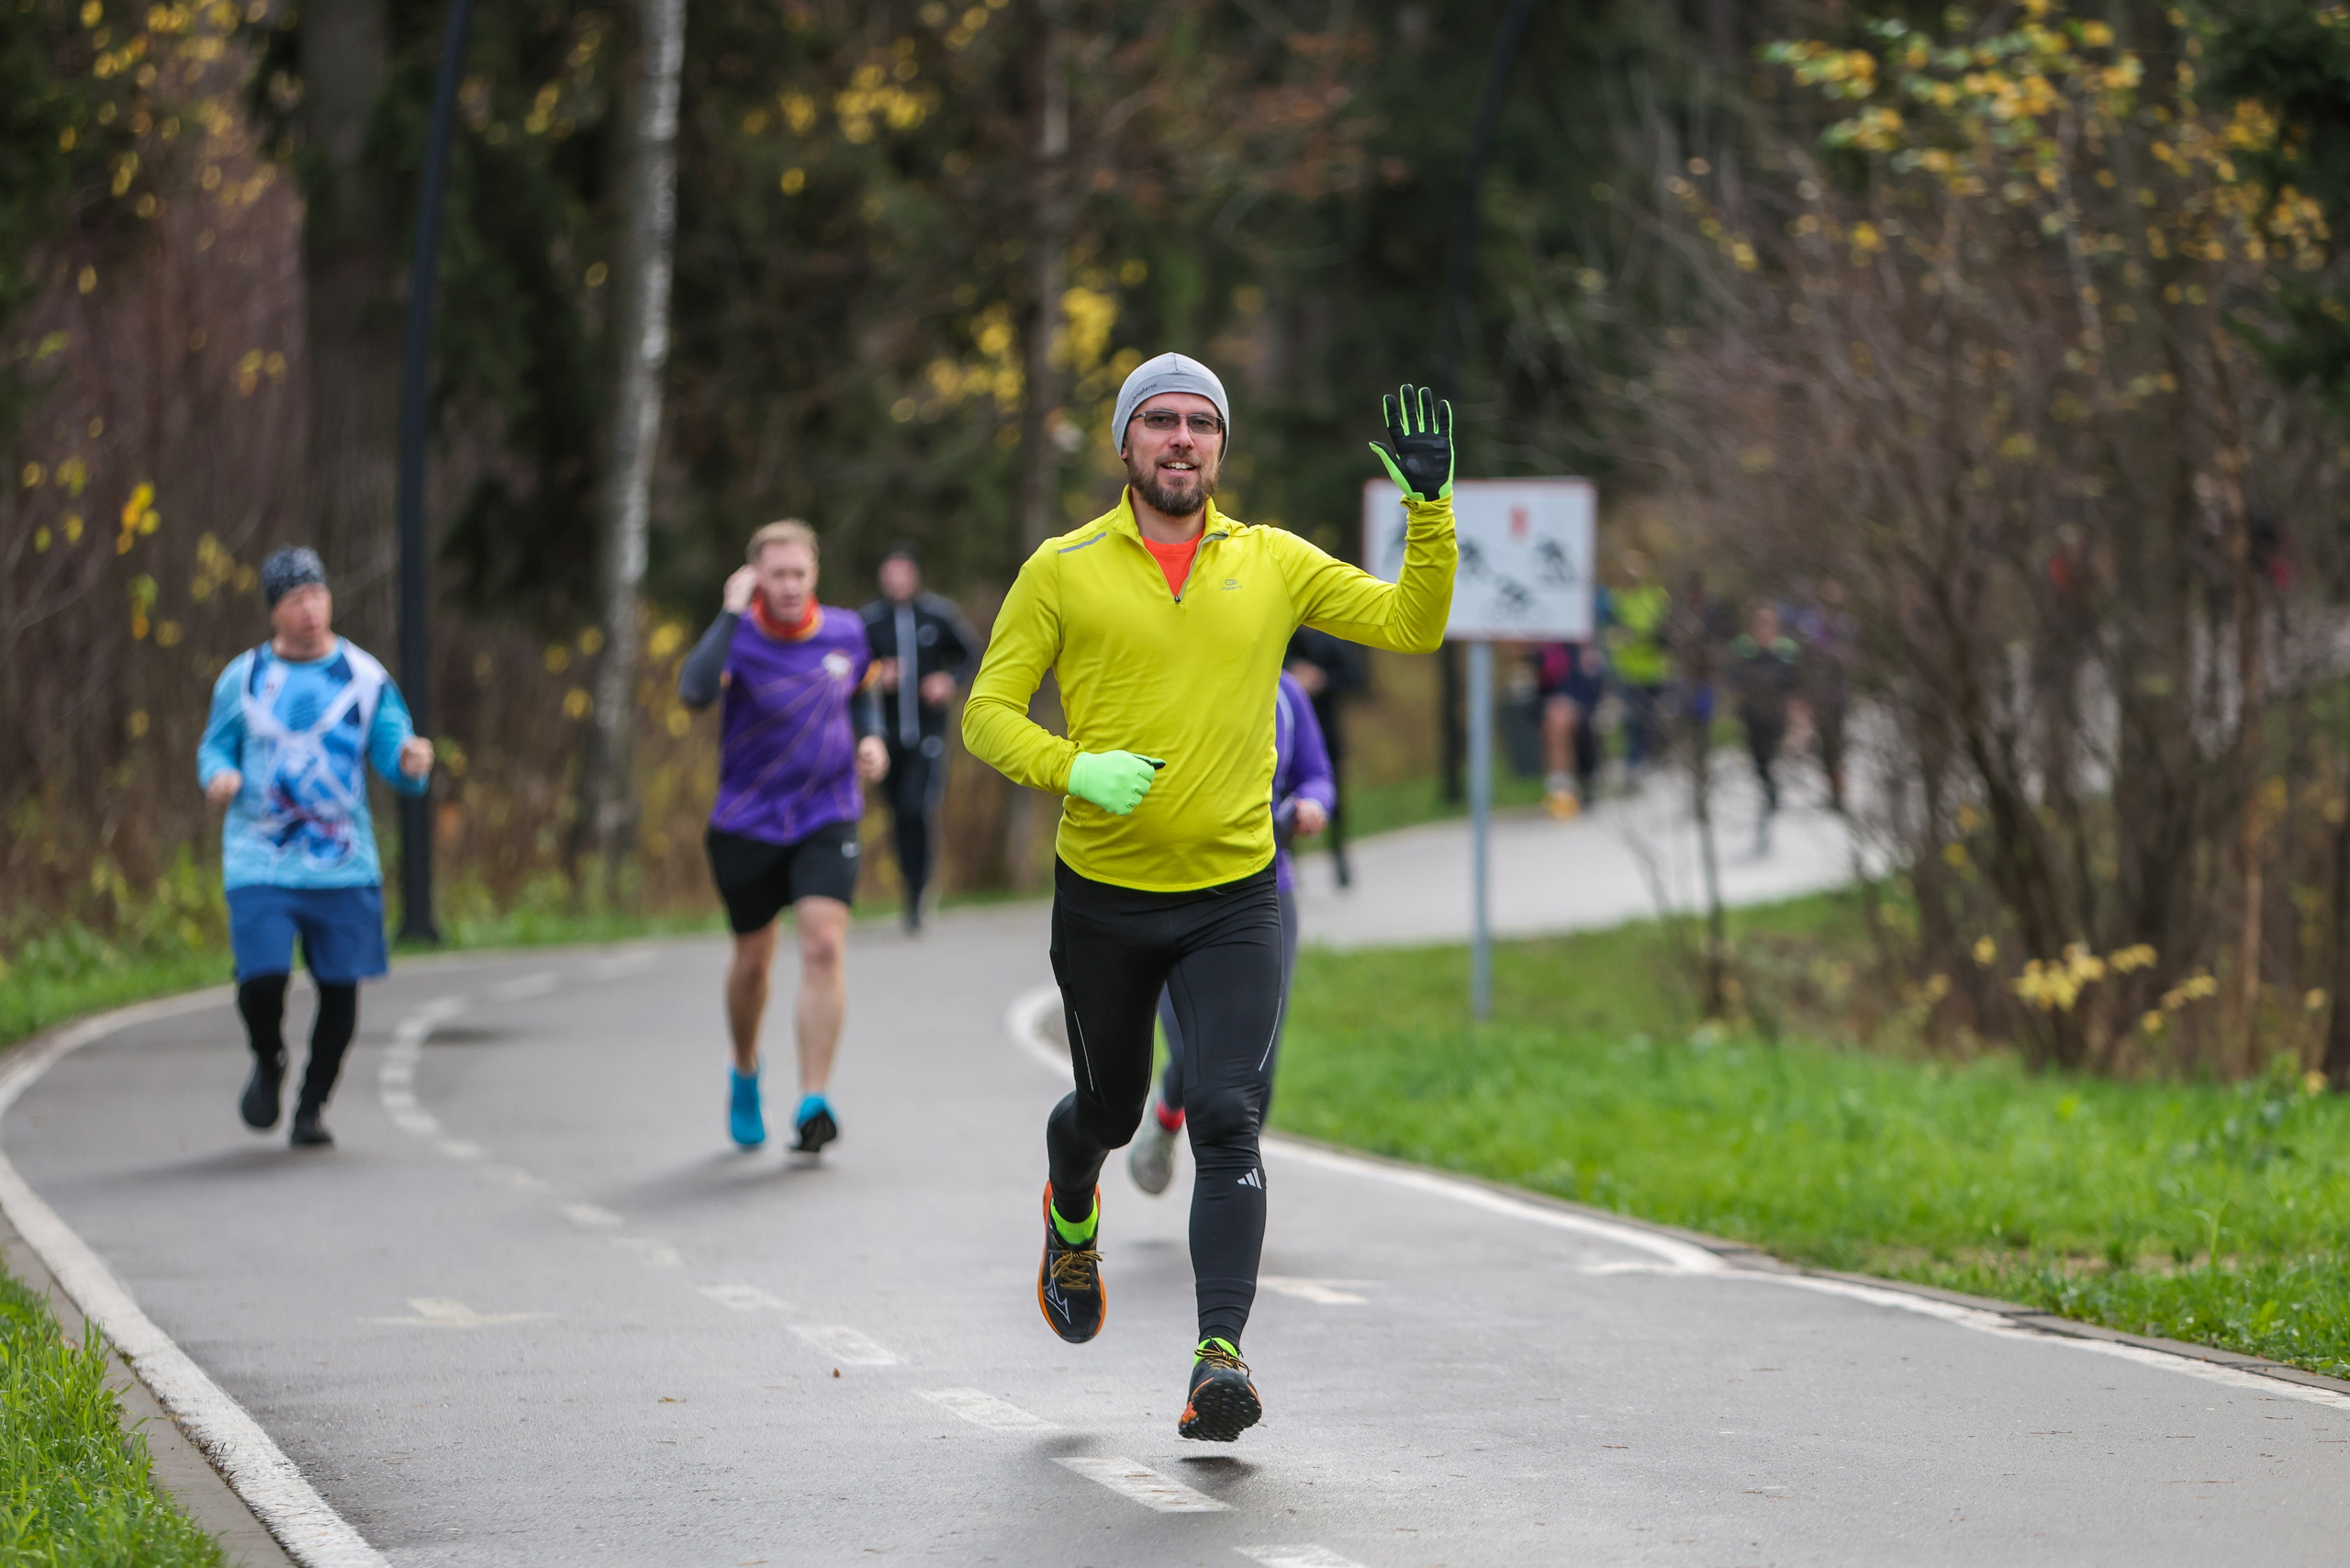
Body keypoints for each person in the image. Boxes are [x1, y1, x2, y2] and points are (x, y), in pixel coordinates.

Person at [962, 353, 1455, 1443]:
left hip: (1236, 894)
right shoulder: (1061, 568)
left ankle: (1218, 1357)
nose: (1181, 438)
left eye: (1201, 423)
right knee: (1107, 1112)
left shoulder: (1272, 561)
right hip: (1105, 894)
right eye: (1160, 421)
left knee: (1230, 1113)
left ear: (1221, 446)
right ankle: (1071, 1211)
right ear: (1125, 443)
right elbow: (986, 712)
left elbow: (1412, 625)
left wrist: (1428, 515)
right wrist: (1072, 768)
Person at [197, 547, 432, 1148]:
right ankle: (268, 1057)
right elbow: (216, 746)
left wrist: (410, 762)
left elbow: (393, 748)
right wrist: (219, 775)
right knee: (262, 979)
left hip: (342, 863)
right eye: (296, 599)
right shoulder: (245, 678)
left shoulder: (363, 677)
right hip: (260, 857)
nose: (310, 609)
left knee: (340, 990)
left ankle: (311, 1107)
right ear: (274, 610)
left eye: (317, 595)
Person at [678, 520, 889, 1155]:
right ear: (755, 580)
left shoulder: (846, 631)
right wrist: (729, 612)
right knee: (754, 961)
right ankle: (744, 1069)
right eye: (777, 575)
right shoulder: (738, 637)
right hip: (747, 821)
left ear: (814, 573)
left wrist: (872, 738)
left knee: (823, 945)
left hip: (828, 812)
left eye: (799, 573)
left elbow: (863, 692)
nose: (791, 585)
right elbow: (693, 691)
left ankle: (813, 1100)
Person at [1127, 668, 1334, 1195]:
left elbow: (1317, 775)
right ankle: (1169, 1115)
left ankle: (1231, 1184)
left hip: (1267, 892)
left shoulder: (1285, 693)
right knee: (1194, 1052)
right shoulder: (1173, 675)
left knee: (1256, 1063)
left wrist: (1312, 804)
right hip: (1176, 890)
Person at [856, 543, 981, 933]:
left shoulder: (938, 615)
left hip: (928, 734)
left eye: (903, 573)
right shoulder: (868, 622)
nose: (896, 581)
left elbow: (971, 655)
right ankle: (910, 889)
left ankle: (919, 893)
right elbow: (853, 670)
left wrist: (948, 681)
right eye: (890, 573)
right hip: (885, 737)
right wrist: (877, 675)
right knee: (898, 814)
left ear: (915, 576)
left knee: (916, 808)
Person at [1281, 627, 1366, 886]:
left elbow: (1355, 677)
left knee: (1333, 797)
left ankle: (1339, 854)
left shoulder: (1330, 639)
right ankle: (1289, 861)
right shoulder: (1285, 638)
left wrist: (1322, 680)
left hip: (1326, 732)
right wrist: (1294, 675)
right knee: (1284, 799)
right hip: (1286, 734)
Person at [1729, 600, 1802, 855]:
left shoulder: (1785, 654)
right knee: (1760, 768)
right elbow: (1735, 684)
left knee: (1770, 766)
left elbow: (1794, 687)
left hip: (1775, 720)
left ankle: (1770, 808)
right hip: (1753, 720)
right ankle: (1769, 804)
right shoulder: (1745, 653)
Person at [1604, 552, 1672, 780]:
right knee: (1633, 719)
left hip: (1654, 670)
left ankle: (1655, 760)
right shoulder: (1617, 599)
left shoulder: (1656, 597)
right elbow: (1611, 631)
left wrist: (1641, 636)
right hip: (1628, 671)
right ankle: (1634, 764)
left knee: (1653, 718)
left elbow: (1666, 631)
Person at [1533, 639, 1604, 819]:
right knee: (1556, 721)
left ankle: (1566, 788)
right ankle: (1561, 790)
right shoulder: (1548, 645)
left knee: (1560, 720)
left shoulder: (1581, 644)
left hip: (1581, 698)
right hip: (1553, 699)